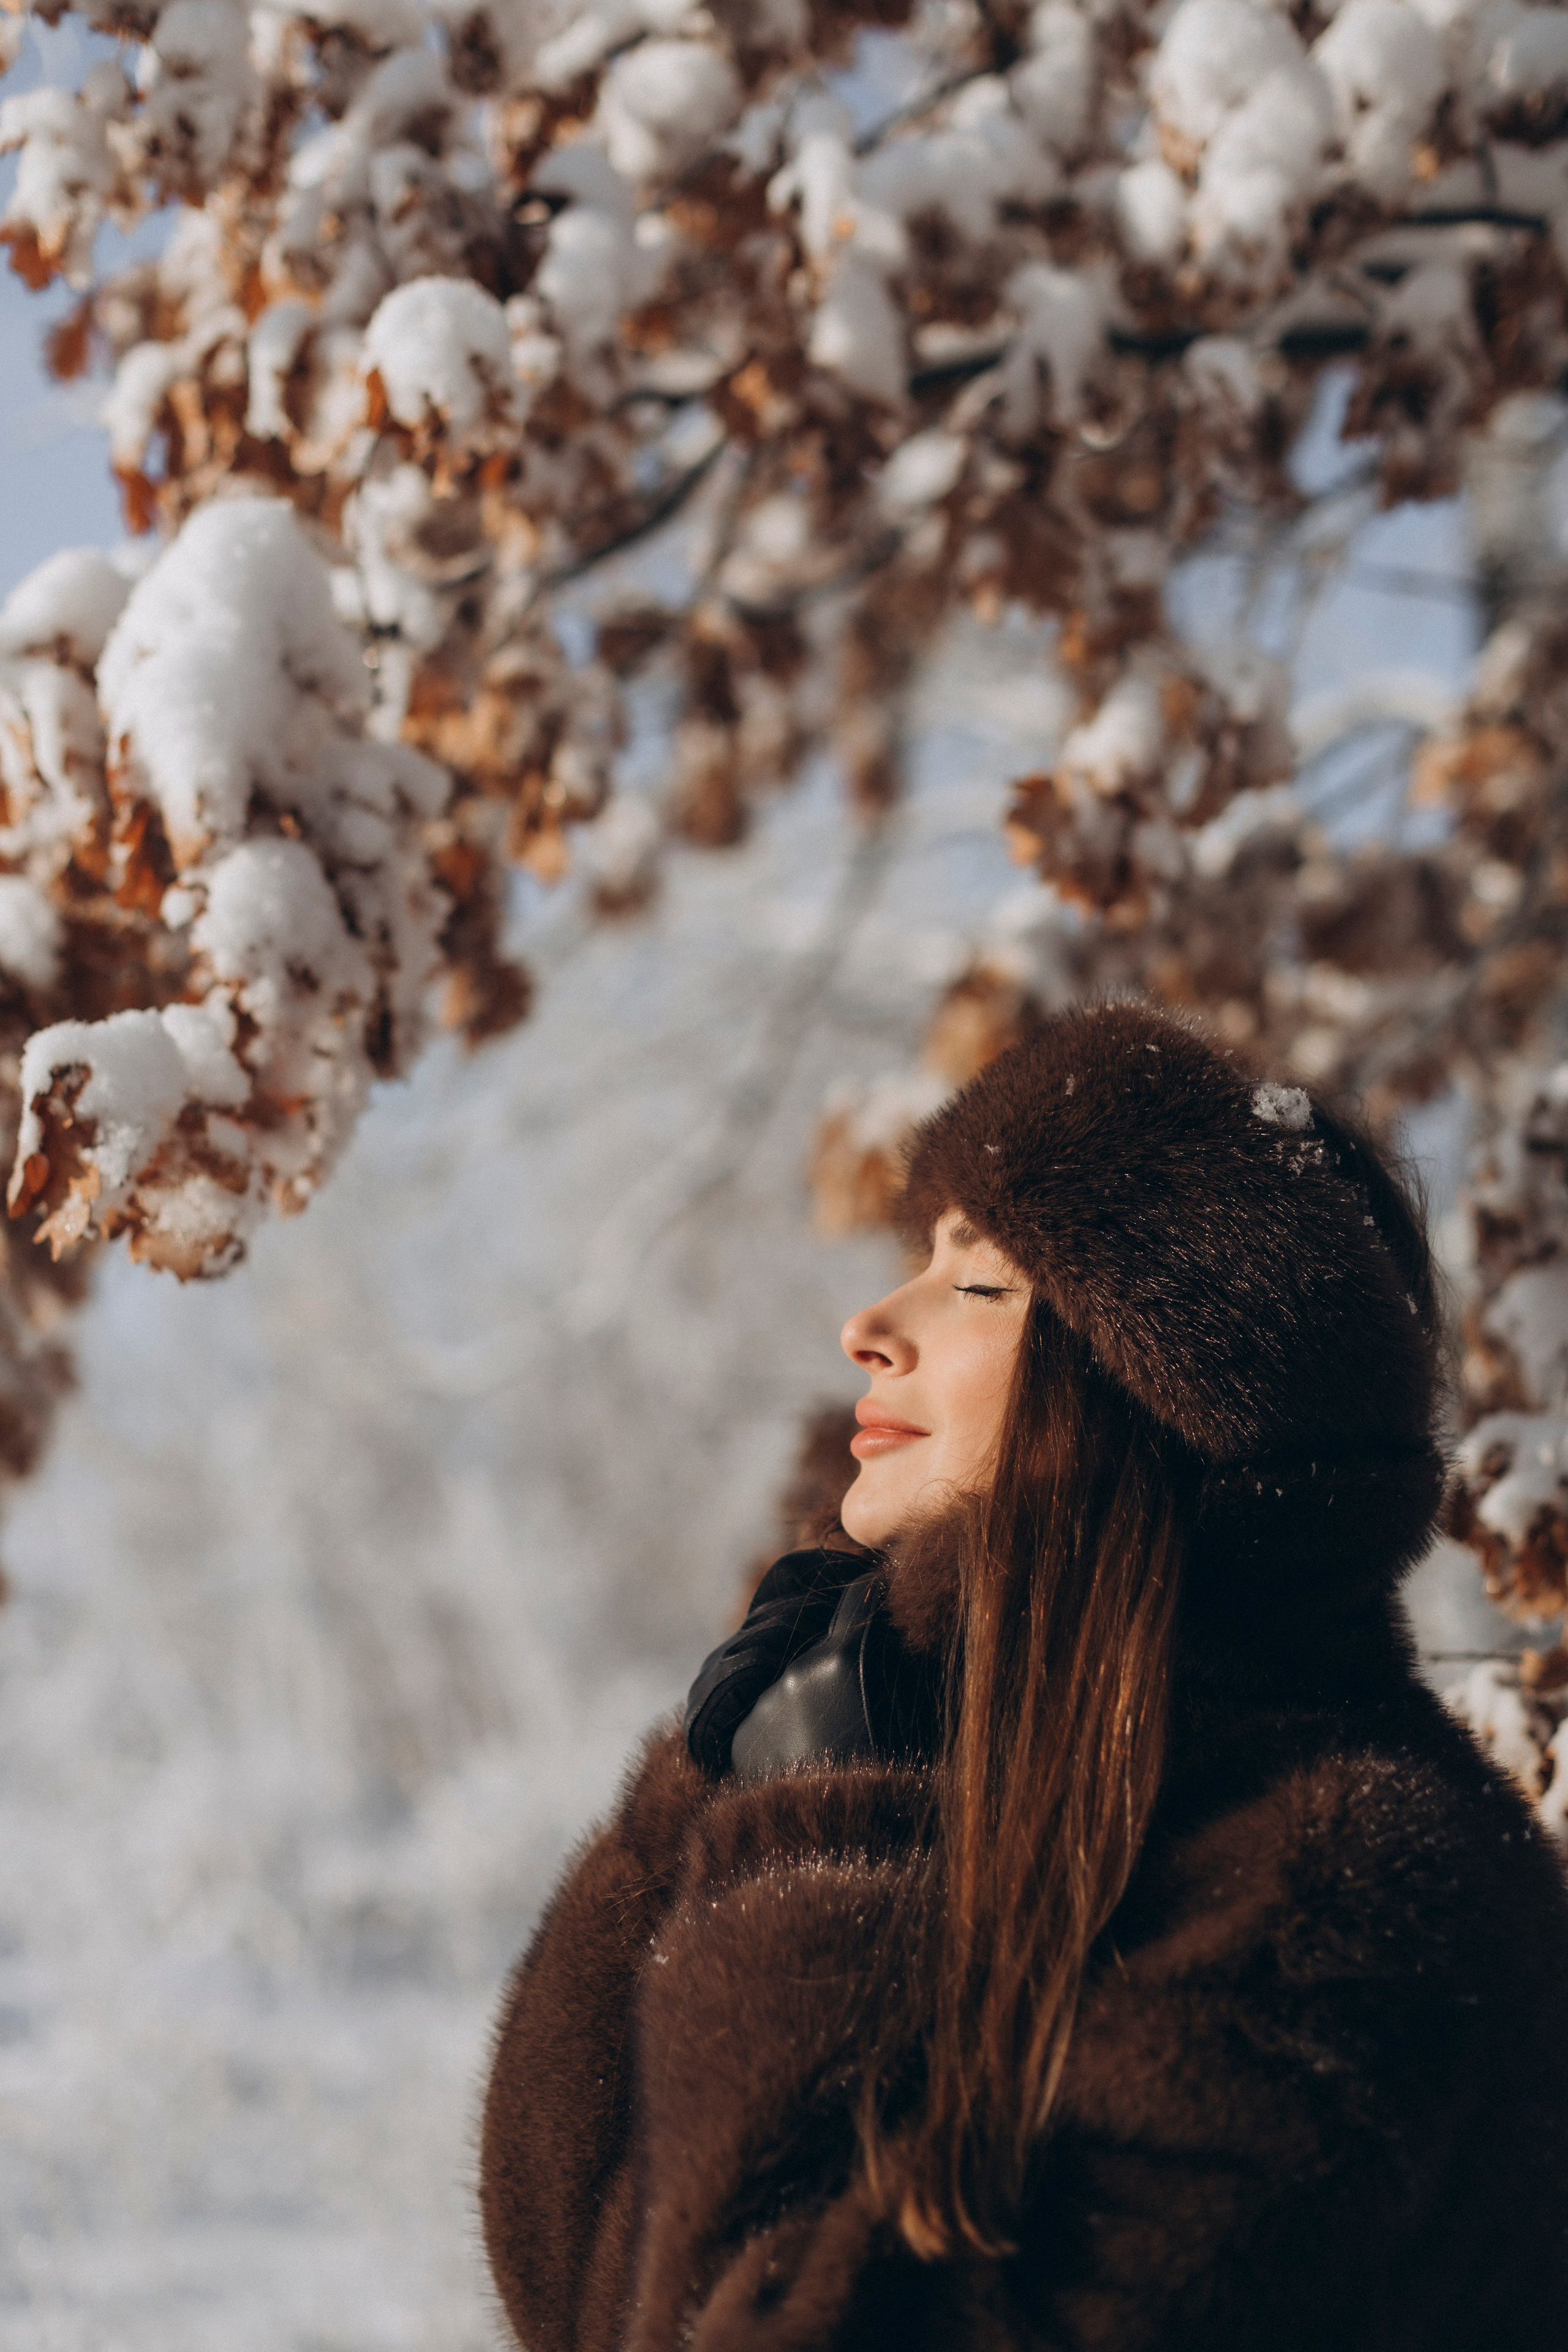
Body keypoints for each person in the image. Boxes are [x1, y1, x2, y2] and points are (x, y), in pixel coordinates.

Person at [480, 1001, 1568, 2351]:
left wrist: (815, 1863)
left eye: (980, 1281)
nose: (867, 1325)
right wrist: (690, 1819)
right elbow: (590, 2294)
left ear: (1158, 1390)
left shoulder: (1329, 1898)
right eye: (919, 1260)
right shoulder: (1020, 1786)